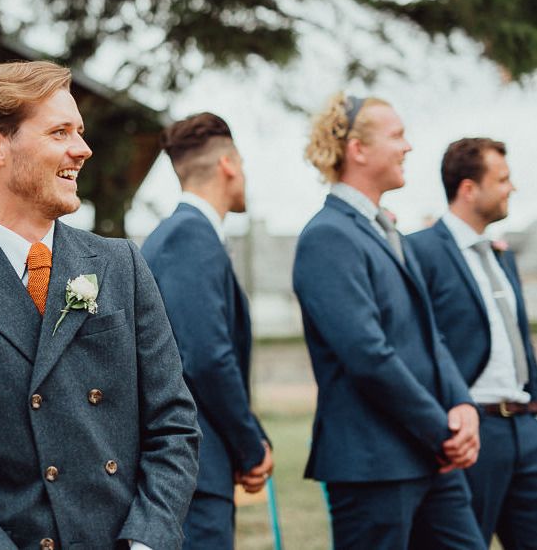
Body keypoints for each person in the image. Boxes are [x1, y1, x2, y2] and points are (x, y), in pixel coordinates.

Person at [0, 60, 200, 550]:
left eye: (81, 131)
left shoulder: (121, 265)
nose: (82, 149)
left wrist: (146, 540)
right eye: (59, 131)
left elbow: (173, 424)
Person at [292, 93, 485, 549]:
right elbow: (367, 354)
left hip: (431, 456)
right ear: (357, 149)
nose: (408, 147)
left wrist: (461, 404)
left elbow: (429, 332)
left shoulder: (388, 230)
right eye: (397, 135)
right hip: (374, 464)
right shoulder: (327, 237)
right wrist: (442, 432)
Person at [141, 113, 272, 549]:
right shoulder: (189, 236)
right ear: (229, 164)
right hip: (195, 468)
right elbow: (206, 355)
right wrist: (250, 446)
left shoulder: (180, 234)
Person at [408, 138, 537, 548]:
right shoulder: (419, 251)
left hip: (525, 428)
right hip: (473, 433)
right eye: (502, 179)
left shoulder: (502, 254)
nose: (511, 188)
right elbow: (421, 342)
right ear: (469, 188)